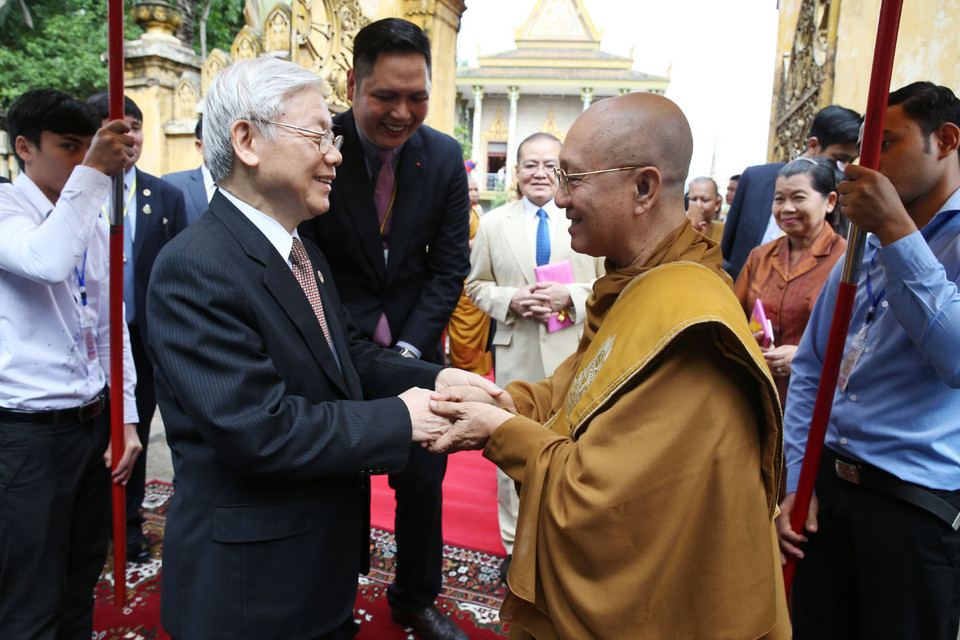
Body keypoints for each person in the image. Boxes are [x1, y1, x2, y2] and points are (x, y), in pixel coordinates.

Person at [146, 57, 495, 640]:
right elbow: (261, 430)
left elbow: (347, 355)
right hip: (250, 592)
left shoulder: (300, 248)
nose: (336, 154)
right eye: (318, 136)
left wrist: (435, 380)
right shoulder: (195, 267)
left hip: (314, 567)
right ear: (248, 141)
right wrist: (400, 418)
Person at [428, 92, 789, 640]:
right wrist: (509, 403)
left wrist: (501, 432)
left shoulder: (690, 321)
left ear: (643, 189)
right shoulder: (641, 279)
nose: (561, 197)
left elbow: (598, 500)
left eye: (573, 179)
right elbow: (580, 386)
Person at [297, 18, 470, 640]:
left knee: (424, 481)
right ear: (353, 84)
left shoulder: (444, 156)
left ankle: (416, 599)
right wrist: (346, 348)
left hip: (417, 347)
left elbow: (448, 267)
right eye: (386, 97)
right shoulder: (321, 148)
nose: (402, 113)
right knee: (337, 480)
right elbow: (307, 260)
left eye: (417, 96)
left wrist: (407, 350)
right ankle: (332, 598)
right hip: (333, 347)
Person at [778, 82, 960, 639]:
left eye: (888, 143)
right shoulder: (866, 243)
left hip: (913, 510)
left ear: (946, 141)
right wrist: (796, 479)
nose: (866, 164)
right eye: (861, 149)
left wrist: (899, 232)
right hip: (826, 495)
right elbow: (813, 367)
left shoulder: (897, 235)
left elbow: (955, 356)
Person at [0, 89, 142, 639]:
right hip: (28, 438)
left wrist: (124, 418)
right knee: (29, 594)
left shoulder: (85, 211)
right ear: (24, 148)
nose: (84, 159)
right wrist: (95, 175)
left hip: (90, 423)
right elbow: (46, 259)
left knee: (79, 580)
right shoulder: (9, 208)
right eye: (68, 146)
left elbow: (111, 324)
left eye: (89, 146)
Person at [465, 131, 603, 579]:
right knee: (511, 448)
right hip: (516, 352)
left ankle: (569, 546)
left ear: (562, 171)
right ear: (516, 172)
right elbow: (475, 285)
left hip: (576, 353)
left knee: (577, 451)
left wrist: (571, 294)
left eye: (549, 165)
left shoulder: (588, 219)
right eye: (530, 165)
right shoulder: (492, 223)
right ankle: (513, 548)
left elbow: (610, 283)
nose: (539, 173)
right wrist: (510, 301)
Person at [86, 91, 189, 563]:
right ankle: (87, 522)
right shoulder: (75, 191)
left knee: (136, 432)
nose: (128, 137)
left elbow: (179, 269)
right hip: (87, 342)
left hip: (143, 339)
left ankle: (127, 528)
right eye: (116, 127)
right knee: (88, 435)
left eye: (134, 126)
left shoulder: (164, 195)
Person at [734, 157, 846, 406]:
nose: (786, 208)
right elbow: (733, 316)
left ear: (829, 202)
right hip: (757, 392)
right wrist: (749, 340)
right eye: (779, 199)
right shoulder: (760, 256)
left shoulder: (846, 262)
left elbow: (859, 339)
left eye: (798, 198)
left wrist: (803, 356)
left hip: (813, 400)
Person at [723, 105, 862, 279]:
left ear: (830, 202)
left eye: (850, 161)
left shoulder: (843, 196)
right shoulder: (756, 179)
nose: (844, 168)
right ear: (813, 146)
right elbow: (727, 249)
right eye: (840, 159)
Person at [447, 174, 492, 375]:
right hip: (460, 280)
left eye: (475, 189)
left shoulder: (476, 213)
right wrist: (479, 243)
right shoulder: (455, 214)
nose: (473, 193)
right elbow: (451, 247)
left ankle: (481, 372)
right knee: (462, 335)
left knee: (481, 334)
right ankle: (461, 372)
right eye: (469, 190)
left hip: (477, 277)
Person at [163, 116, 216, 225]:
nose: (220, 146)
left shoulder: (247, 187)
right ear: (199, 146)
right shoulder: (172, 184)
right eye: (213, 140)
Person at [686, 175, 725, 242]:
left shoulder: (725, 231)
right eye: (693, 199)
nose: (698, 205)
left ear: (717, 204)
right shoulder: (677, 229)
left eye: (705, 200)